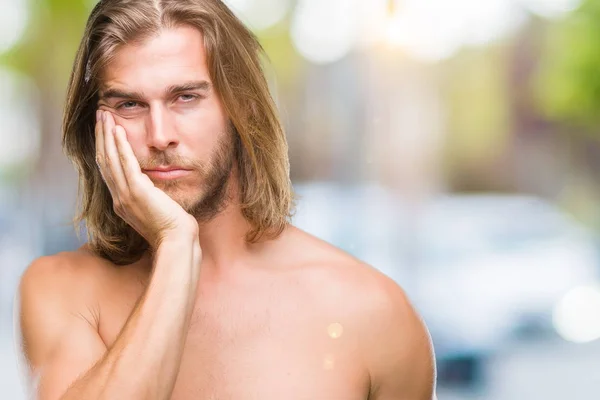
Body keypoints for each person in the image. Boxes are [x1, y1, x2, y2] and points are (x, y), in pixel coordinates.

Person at [16, 1, 436, 399]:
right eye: (129, 104)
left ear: (243, 108)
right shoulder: (61, 290)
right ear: (96, 129)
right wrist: (176, 246)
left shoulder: (373, 311)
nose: (160, 135)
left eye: (186, 97)